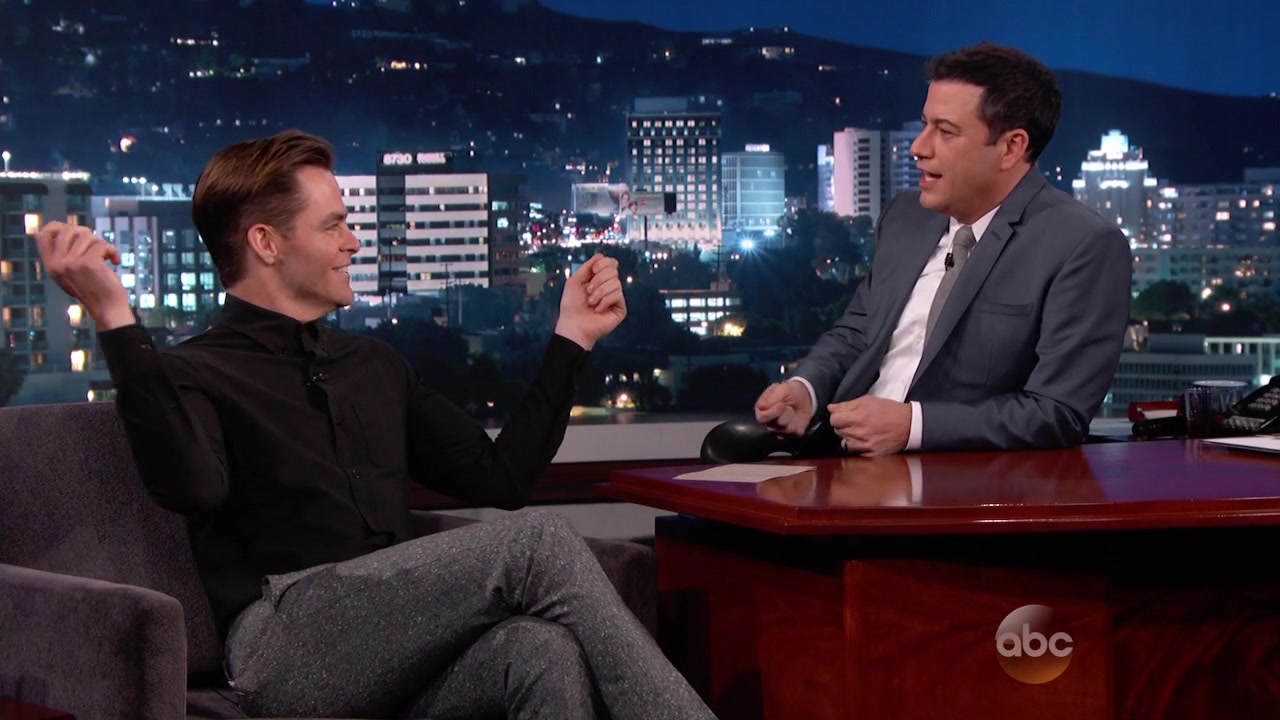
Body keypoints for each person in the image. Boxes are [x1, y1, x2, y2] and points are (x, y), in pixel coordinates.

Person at [37, 130, 716, 720]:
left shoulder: (374, 365)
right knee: (538, 541)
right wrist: (115, 319)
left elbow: (502, 479)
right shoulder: (194, 371)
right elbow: (193, 486)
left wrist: (572, 339)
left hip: (399, 639)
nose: (354, 242)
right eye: (333, 226)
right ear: (266, 242)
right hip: (284, 647)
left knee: (541, 652)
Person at [755, 42, 1132, 456]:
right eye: (924, 125)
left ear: (1011, 147)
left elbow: (1057, 412)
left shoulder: (1081, 244)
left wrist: (912, 426)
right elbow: (858, 333)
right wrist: (806, 389)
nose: (918, 147)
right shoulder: (905, 217)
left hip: (950, 476)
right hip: (836, 454)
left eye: (945, 131)